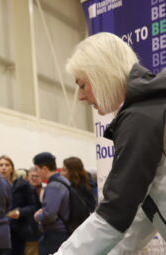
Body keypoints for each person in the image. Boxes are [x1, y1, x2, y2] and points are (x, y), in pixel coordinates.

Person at [56, 32, 166, 254]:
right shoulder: (151, 108)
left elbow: (115, 213)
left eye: (82, 84)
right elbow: (145, 212)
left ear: (100, 73)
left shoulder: (140, 117)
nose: (81, 96)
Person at [0, 155, 40, 255]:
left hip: (17, 231)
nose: (3, 167)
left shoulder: (22, 185)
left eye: (7, 165)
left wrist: (20, 212)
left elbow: (33, 206)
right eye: (1, 165)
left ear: (12, 168)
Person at [32, 152, 70, 255]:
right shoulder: (63, 180)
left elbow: (50, 215)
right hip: (62, 233)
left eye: (37, 169)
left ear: (44, 168)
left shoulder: (54, 186)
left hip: (55, 235)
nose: (36, 173)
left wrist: (38, 216)